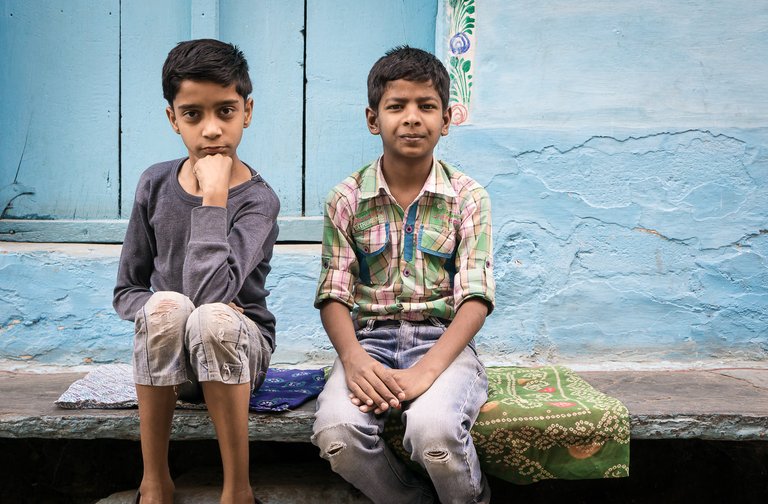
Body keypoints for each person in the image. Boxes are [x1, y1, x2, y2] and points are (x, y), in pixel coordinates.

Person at [311, 46, 495, 504]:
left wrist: (426, 372)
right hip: (369, 341)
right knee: (336, 433)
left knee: (433, 433)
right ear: (373, 119)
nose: (412, 118)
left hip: (443, 343)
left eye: (426, 106)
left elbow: (475, 297)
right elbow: (334, 292)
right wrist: (353, 361)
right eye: (397, 106)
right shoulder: (346, 199)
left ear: (447, 119)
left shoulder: (468, 198)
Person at [113, 38, 279, 504]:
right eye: (193, 115)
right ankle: (154, 479)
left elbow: (213, 295)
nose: (211, 130)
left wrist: (213, 199)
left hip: (240, 355)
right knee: (171, 307)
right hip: (174, 365)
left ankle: (237, 489)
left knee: (213, 317)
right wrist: (167, 312)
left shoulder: (257, 201)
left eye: (225, 112)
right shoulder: (155, 182)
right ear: (172, 119)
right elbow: (128, 289)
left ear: (247, 111)